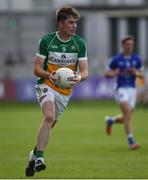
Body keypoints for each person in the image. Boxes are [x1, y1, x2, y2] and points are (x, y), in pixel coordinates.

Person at [25, 6, 88, 177]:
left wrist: (79, 78)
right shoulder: (46, 41)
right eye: (70, 22)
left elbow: (85, 71)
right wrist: (48, 74)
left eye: (75, 22)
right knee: (49, 116)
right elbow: (37, 69)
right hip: (46, 84)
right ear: (60, 23)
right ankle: (40, 158)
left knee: (50, 124)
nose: (74, 25)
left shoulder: (79, 43)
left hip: (64, 92)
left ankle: (34, 156)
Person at [105, 35, 144, 150]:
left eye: (131, 44)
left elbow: (141, 74)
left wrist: (135, 73)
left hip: (132, 89)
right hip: (121, 88)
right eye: (127, 44)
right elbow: (107, 73)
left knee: (127, 117)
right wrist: (114, 73)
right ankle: (131, 141)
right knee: (127, 112)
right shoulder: (116, 59)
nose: (130, 46)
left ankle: (111, 120)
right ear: (123, 45)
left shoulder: (136, 59)